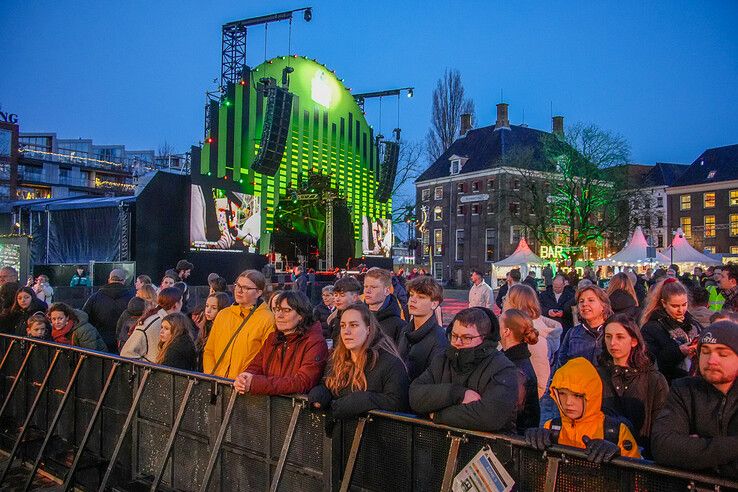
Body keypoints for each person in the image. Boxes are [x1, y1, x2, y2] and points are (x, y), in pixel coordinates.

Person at [409, 308, 518, 432]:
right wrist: (456, 393)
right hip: (440, 442)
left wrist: (437, 414)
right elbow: (415, 395)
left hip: (486, 446)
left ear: (484, 338)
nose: (458, 342)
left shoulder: (503, 368)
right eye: (454, 336)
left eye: (467, 338)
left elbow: (489, 416)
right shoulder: (442, 359)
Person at [651, 322, 738, 478]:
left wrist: (696, 448)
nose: (712, 360)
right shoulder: (684, 390)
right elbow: (663, 446)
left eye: (723, 354)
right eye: (705, 352)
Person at [525, 357, 642, 462]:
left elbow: (639, 480)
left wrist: (619, 458)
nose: (568, 402)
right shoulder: (551, 427)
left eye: (577, 395)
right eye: (562, 393)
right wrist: (532, 454)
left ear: (591, 395)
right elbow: (539, 478)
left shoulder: (616, 431)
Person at [308, 303, 409, 418]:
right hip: (340, 433)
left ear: (368, 329)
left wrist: (362, 400)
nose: (346, 331)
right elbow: (326, 384)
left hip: (374, 433)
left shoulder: (390, 362)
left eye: (354, 325)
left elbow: (398, 402)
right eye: (343, 326)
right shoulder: (336, 358)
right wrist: (319, 395)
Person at [598, 313, 668, 457]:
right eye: (608, 336)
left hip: (641, 456)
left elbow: (661, 425)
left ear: (634, 341)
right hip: (602, 453)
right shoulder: (597, 374)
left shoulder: (653, 379)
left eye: (620, 337)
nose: (612, 343)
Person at [234, 291, 328, 395]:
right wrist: (245, 377)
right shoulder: (272, 338)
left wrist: (256, 383)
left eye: (287, 310)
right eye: (277, 310)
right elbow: (256, 366)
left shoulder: (315, 342)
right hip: (267, 407)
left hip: (295, 409)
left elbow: (302, 382)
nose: (279, 315)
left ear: (301, 315)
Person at [203, 270, 274, 378]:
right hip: (216, 385)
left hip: (243, 388)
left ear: (259, 292)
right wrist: (211, 376)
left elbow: (266, 359)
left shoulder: (268, 319)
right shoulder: (223, 314)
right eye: (238, 285)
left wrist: (245, 381)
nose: (239, 291)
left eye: (246, 288)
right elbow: (209, 350)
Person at [503, 284, 562, 399]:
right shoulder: (516, 328)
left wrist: (523, 403)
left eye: (506, 299)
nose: (503, 303)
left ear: (516, 304)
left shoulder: (533, 336)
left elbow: (540, 379)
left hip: (518, 402)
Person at [641, 278, 702, 383]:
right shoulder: (651, 328)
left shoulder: (693, 323)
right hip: (668, 384)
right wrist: (679, 351)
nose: (681, 310)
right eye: (675, 306)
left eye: (684, 304)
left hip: (695, 382)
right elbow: (651, 363)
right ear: (664, 303)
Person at [398, 276, 448, 381]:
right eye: (411, 295)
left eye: (421, 297)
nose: (413, 300)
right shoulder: (405, 331)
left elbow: (435, 379)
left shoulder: (439, 339)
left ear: (434, 304)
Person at [499, 309, 541, 433]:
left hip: (515, 437)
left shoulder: (516, 370)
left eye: (499, 323)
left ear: (506, 331)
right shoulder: (512, 360)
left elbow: (512, 414)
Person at [557, 284, 613, 369]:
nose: (585, 304)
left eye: (591, 300)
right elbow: (561, 364)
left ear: (603, 305)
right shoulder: (573, 333)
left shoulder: (613, 331)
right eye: (581, 301)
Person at [120, 287, 183, 362]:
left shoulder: (165, 320)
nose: (182, 304)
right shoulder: (152, 323)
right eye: (181, 301)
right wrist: (150, 365)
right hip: (153, 371)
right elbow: (126, 353)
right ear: (176, 305)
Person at [82, 268, 134, 353]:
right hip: (124, 343)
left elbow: (84, 318)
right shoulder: (131, 298)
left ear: (109, 280)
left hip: (99, 341)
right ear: (123, 281)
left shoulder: (95, 297)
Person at [363, 268, 406, 345]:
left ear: (387, 291)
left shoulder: (399, 326)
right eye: (366, 286)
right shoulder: (357, 317)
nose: (367, 291)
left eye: (373, 287)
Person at [193, 292, 231, 357]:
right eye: (207, 306)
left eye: (214, 308)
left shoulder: (225, 330)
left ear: (222, 310)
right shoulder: (205, 326)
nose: (208, 310)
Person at [328, 276, 362, 345]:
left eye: (342, 295)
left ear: (355, 297)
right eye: (335, 295)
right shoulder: (335, 319)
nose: (337, 299)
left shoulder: (363, 318)